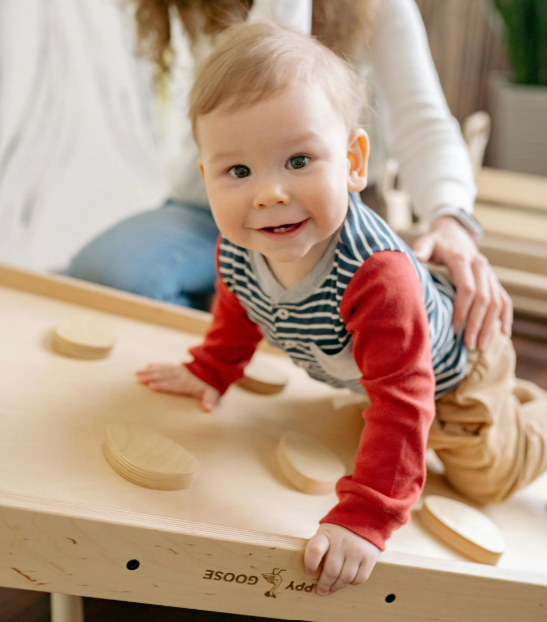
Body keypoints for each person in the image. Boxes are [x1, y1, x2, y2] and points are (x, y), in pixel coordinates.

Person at [136, 22, 547, 598]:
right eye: (238, 171)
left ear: (354, 161)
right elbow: (240, 310)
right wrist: (211, 369)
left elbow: (404, 399)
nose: (268, 193)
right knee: (374, 426)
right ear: (206, 178)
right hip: (377, 368)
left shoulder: (377, 277)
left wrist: (368, 517)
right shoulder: (239, 246)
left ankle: (534, 421)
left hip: (458, 372)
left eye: (299, 161)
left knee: (485, 478)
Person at [66, 0, 512, 352]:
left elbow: (424, 122)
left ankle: (265, 324)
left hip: (321, 216)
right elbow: (262, 79)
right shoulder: (196, 4)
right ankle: (233, 339)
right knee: (102, 272)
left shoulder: (379, 6)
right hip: (208, 208)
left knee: (376, 323)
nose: (268, 194)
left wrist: (452, 220)